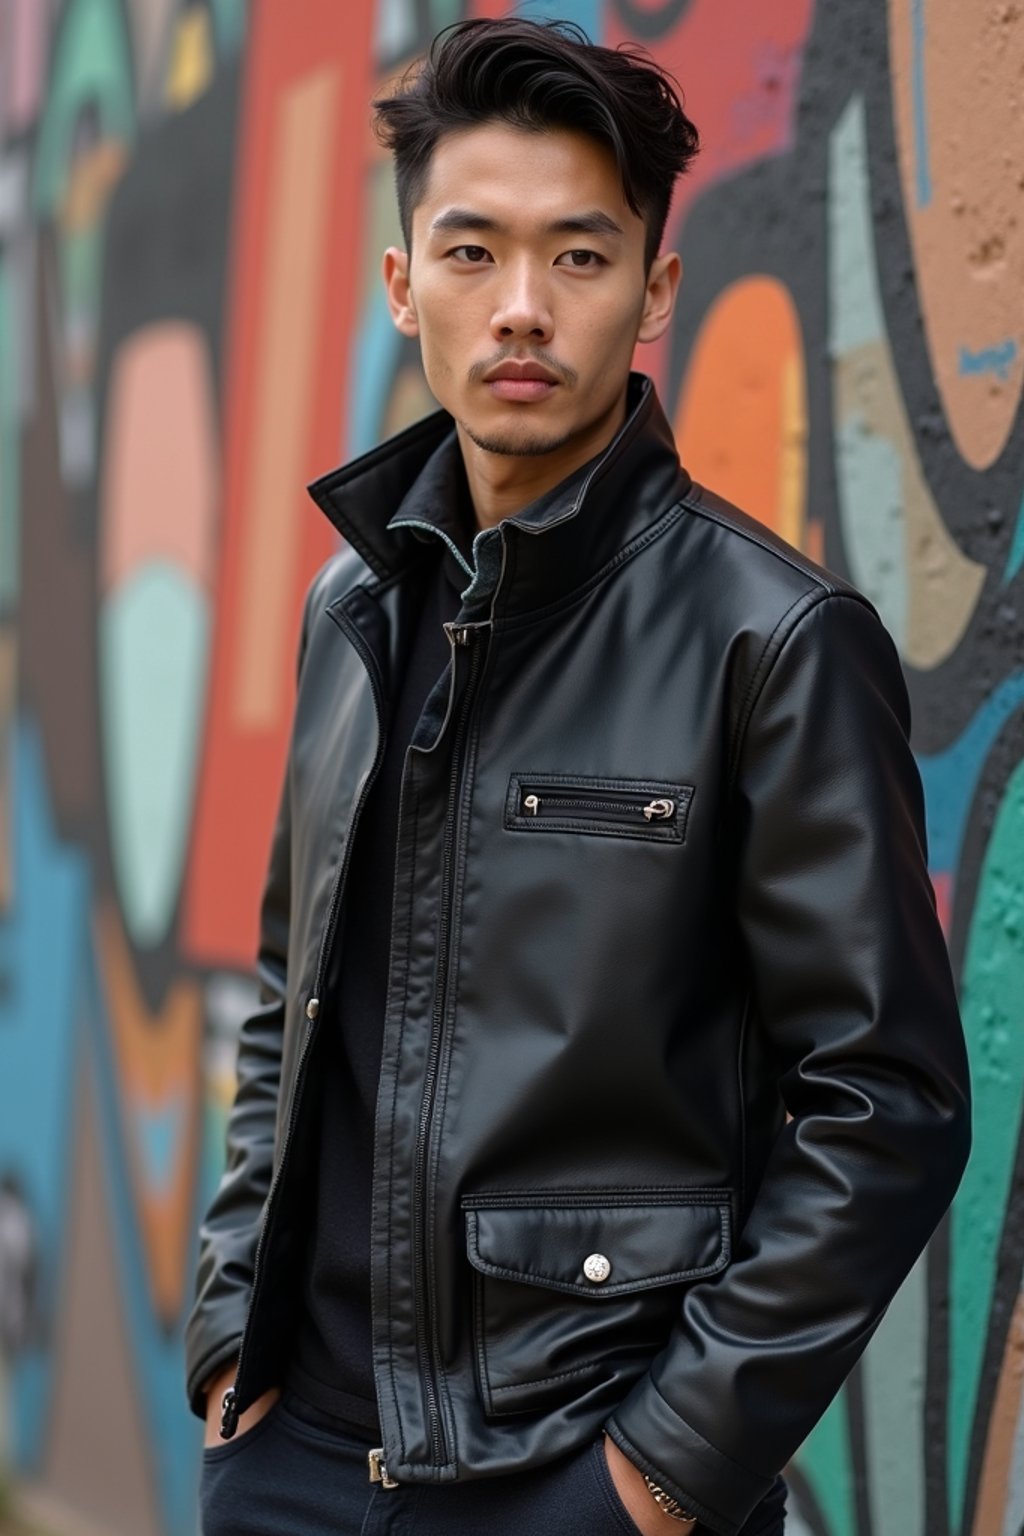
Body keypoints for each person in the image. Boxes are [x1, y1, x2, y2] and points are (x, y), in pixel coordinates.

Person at [185, 18, 972, 1536]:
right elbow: (291, 1005)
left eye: (583, 258)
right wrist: (235, 1349)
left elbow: (886, 1101)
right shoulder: (348, 613)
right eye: (472, 254)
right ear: (403, 280)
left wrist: (661, 1472)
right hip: (295, 1460)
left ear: (656, 291)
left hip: (576, 1468)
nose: (524, 310)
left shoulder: (777, 641)